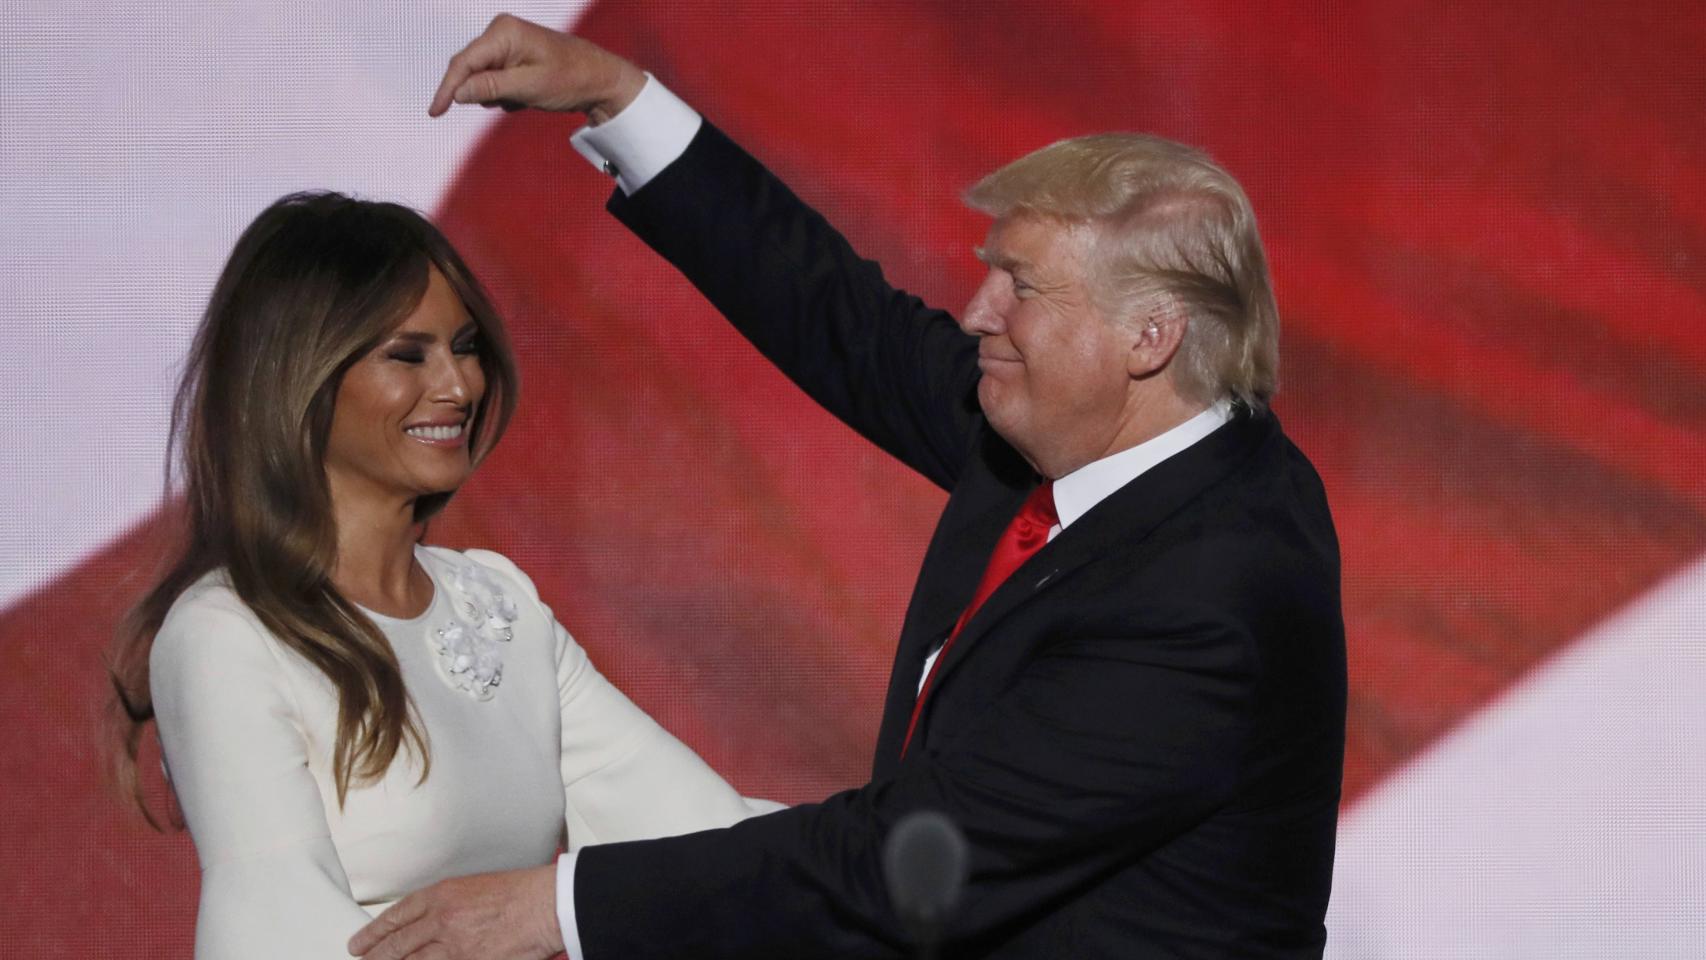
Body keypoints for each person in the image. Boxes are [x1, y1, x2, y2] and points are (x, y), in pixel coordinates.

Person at [353, 14, 1347, 959]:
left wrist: (560, 908)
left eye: (1021, 286)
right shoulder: (1099, 431)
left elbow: (908, 864)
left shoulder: (1211, 597)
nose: (974, 313)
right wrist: (620, 98)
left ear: (1148, 336)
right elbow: (843, 320)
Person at [106, 191, 777, 960]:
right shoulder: (225, 633)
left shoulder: (498, 604)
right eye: (408, 354)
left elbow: (707, 838)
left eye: (465, 347)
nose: (459, 385)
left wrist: (901, 869)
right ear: (298, 374)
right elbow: (276, 928)